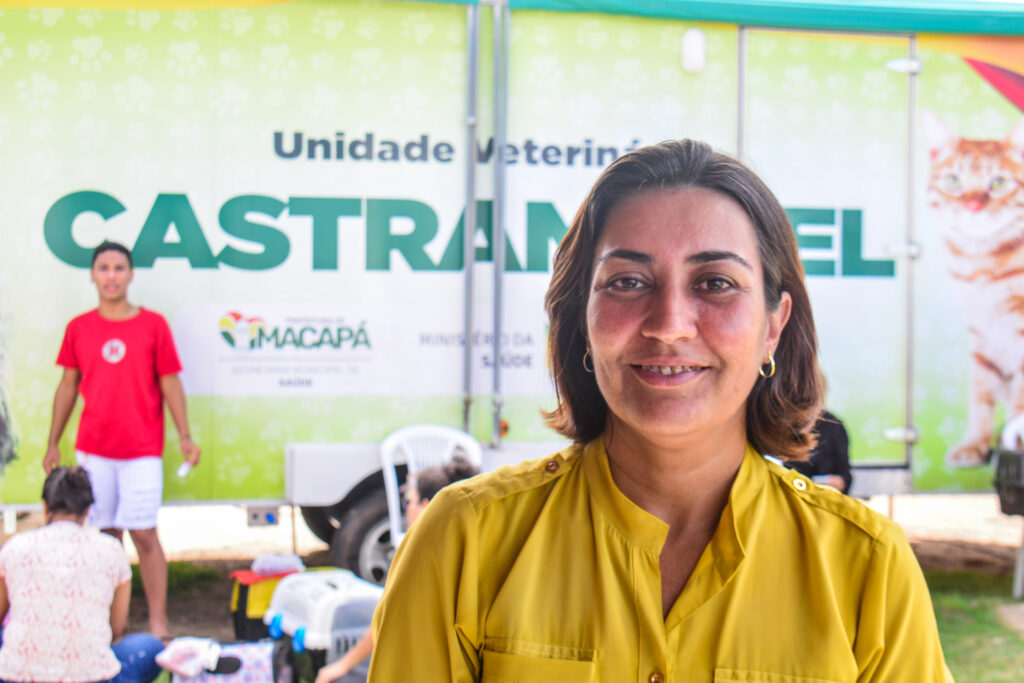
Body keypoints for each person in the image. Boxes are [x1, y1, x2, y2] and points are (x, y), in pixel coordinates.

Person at [368, 140, 951, 681]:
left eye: (716, 283)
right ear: (581, 320)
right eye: (627, 282)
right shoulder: (464, 540)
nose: (669, 325)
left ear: (773, 327)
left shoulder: (868, 565)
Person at [42, 241, 200, 641]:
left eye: (118, 268)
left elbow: (170, 383)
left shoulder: (153, 325)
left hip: (141, 450)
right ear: (92, 275)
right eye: (104, 268)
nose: (111, 276)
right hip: (95, 450)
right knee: (107, 538)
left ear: (130, 275)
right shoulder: (79, 327)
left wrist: (184, 435)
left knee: (143, 534)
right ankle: (112, 623)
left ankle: (159, 624)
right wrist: (53, 442)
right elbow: (67, 386)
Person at [314, 456, 479, 683]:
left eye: (408, 502)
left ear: (426, 506)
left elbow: (386, 621)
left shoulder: (422, 556)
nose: (406, 510)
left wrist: (341, 666)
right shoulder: (469, 546)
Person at [0, 466, 164, 683]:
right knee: (152, 647)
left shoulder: (15, 547)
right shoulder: (111, 550)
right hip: (93, 677)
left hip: (16, 676)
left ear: (45, 506)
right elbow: (116, 628)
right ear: (87, 510)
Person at [788, 409, 852, 493]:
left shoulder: (833, 424)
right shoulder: (784, 423)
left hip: (823, 494)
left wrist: (840, 482)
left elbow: (845, 474)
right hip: (791, 492)